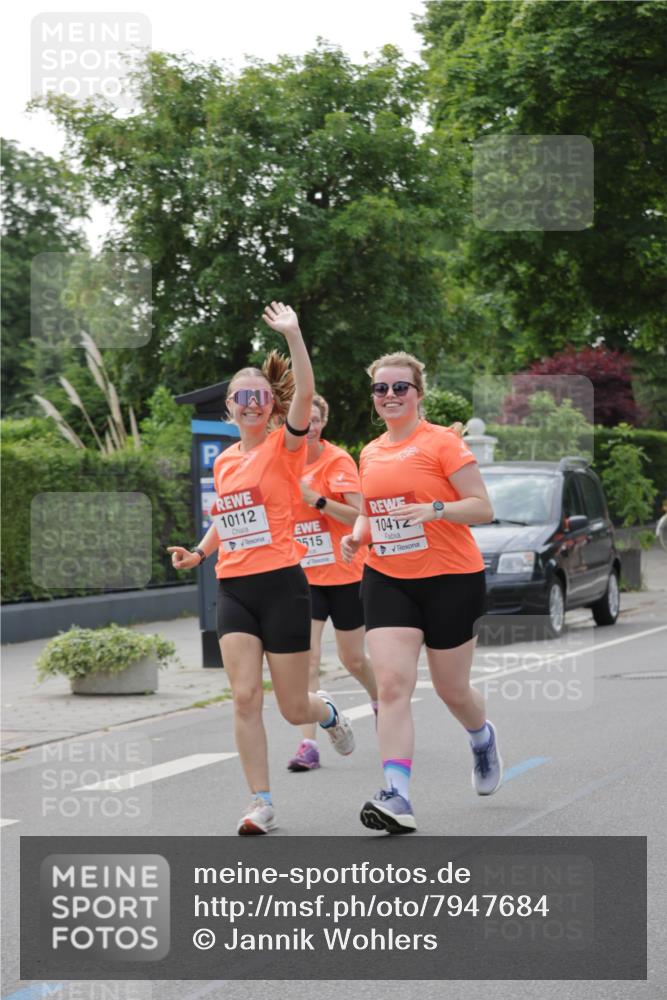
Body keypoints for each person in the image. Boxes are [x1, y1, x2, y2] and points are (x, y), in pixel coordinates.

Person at [168, 302, 354, 836]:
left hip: (283, 584)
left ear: (270, 405)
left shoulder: (285, 446)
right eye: (241, 397)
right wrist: (200, 554)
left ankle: (329, 715)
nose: (251, 404)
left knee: (294, 706)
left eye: (259, 397)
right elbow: (228, 519)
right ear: (229, 407)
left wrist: (294, 334)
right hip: (235, 585)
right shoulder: (225, 462)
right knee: (245, 695)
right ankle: (261, 802)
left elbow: (304, 394)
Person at [341, 351, 500, 834]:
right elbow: (372, 509)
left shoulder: (443, 444)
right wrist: (358, 535)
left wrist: (437, 509)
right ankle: (398, 795)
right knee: (391, 686)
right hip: (388, 577)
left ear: (418, 393)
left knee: (452, 690)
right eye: (380, 389)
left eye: (399, 388)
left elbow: (482, 507)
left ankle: (481, 736)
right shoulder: (369, 452)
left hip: (451, 577)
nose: (389, 396)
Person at [287, 393, 378, 772]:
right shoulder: (280, 461)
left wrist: (319, 501)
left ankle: (380, 702)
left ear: (323, 424)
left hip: (344, 572)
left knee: (352, 658)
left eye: (316, 420)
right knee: (306, 659)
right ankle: (308, 744)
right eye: (303, 419)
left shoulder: (337, 460)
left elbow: (361, 512)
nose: (309, 426)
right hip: (304, 576)